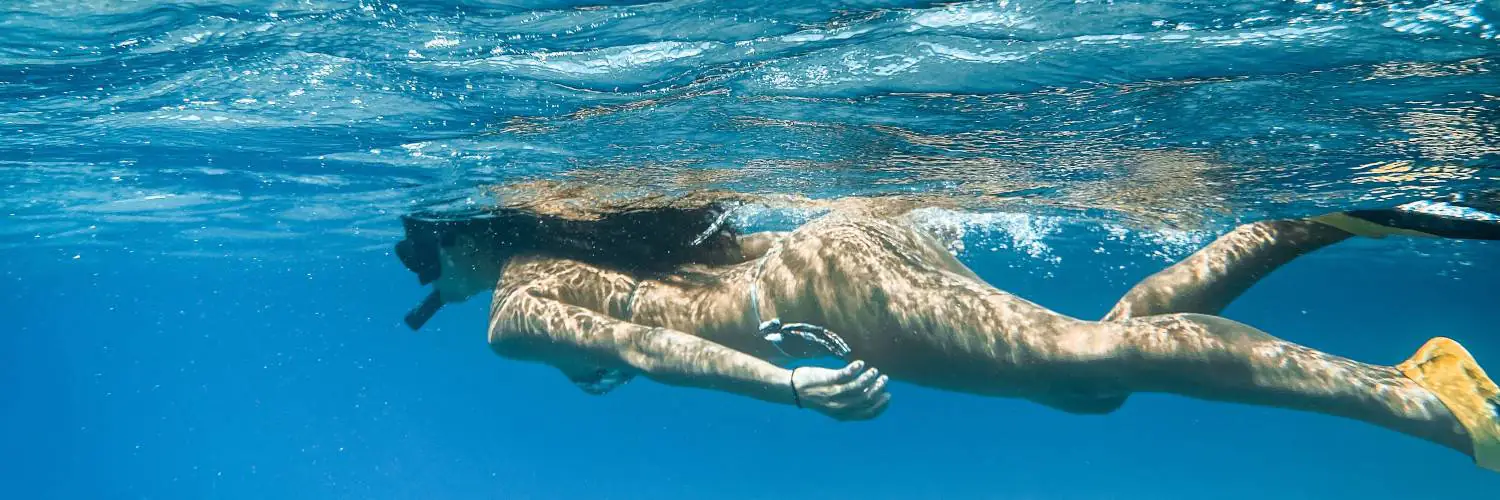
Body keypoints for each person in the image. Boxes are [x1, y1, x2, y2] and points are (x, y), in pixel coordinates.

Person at [393, 186, 1500, 472]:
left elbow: (644, 347)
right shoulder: (598, 241)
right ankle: (1305, 222)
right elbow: (646, 330)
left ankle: (1422, 400)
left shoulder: (511, 307)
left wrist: (781, 386)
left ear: (460, 238)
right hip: (844, 244)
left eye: (418, 255)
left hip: (825, 287)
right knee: (1087, 372)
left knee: (1084, 357)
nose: (425, 277)